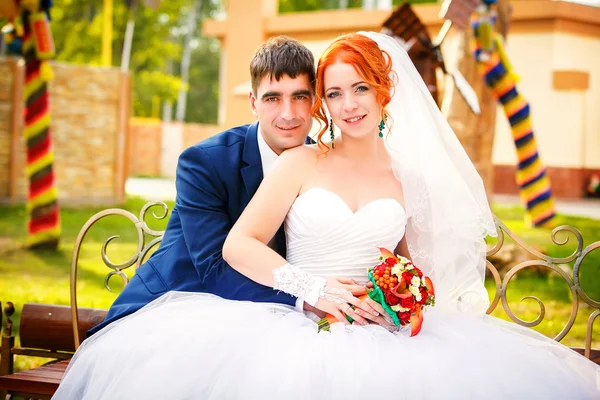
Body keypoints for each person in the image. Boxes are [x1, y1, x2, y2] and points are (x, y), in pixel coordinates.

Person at [53, 32, 600, 399]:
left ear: (384, 93)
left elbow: (410, 265)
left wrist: (402, 298)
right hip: (271, 316)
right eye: (335, 92)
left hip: (373, 329)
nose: (347, 103)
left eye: (358, 88)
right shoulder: (299, 161)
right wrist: (309, 289)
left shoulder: (410, 179)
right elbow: (233, 249)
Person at [87, 35, 381, 336]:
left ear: (315, 100)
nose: (288, 114)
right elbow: (215, 269)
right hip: (178, 306)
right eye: (272, 98)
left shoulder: (321, 165)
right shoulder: (203, 163)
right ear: (253, 103)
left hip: (275, 320)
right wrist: (309, 295)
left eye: (300, 96)